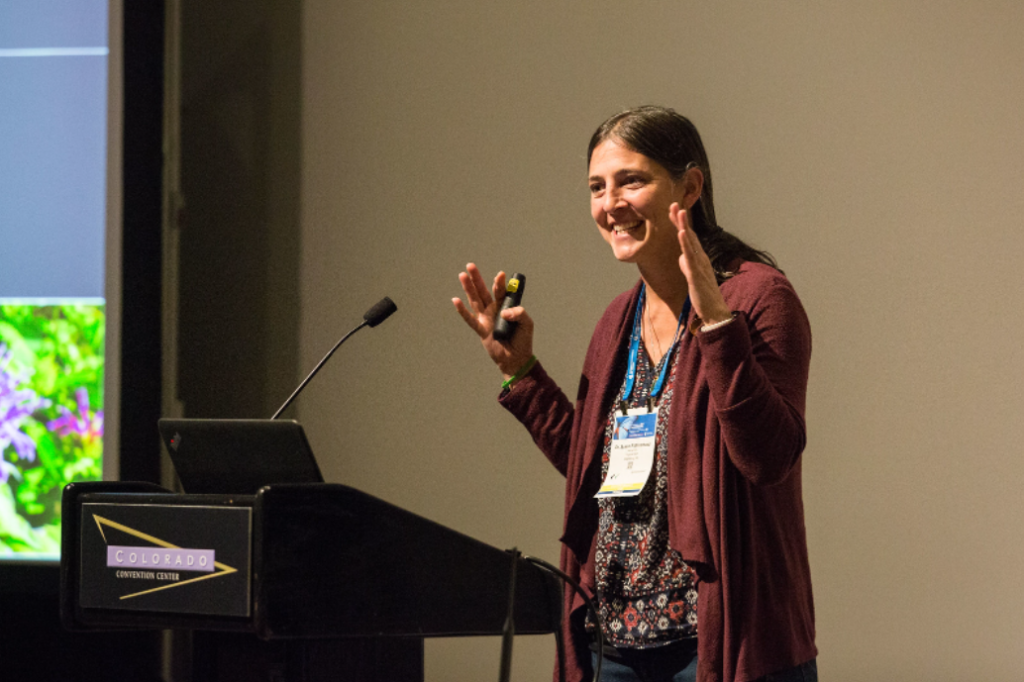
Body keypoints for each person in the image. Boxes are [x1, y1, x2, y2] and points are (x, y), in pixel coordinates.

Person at [453, 106, 816, 682]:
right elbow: (594, 468)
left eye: (631, 181)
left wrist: (718, 328)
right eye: (597, 187)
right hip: (614, 645)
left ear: (689, 187)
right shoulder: (618, 320)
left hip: (720, 642)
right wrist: (521, 373)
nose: (610, 203)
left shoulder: (758, 298)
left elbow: (767, 458)